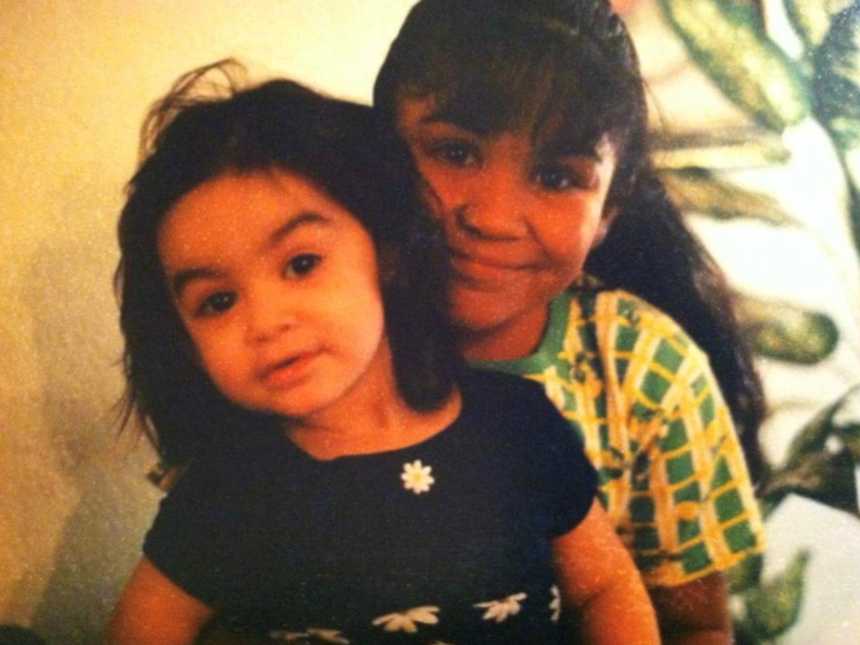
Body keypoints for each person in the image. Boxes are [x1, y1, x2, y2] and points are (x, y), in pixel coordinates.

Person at [106, 61, 659, 645]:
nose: (265, 322)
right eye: (218, 301)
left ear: (386, 250)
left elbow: (605, 588)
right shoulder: (227, 492)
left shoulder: (518, 427)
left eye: (301, 264)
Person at [373, 0, 767, 642]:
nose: (494, 217)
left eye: (557, 176)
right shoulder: (307, 338)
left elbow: (695, 628)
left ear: (608, 212)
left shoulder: (647, 372)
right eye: (455, 151)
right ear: (380, 149)